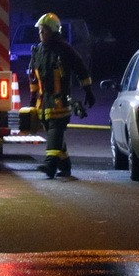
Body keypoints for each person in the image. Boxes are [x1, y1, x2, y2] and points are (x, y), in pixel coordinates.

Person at [27, 12, 95, 179]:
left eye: (44, 31)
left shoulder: (64, 49)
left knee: (55, 129)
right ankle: (65, 165)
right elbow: (34, 76)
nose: (41, 34)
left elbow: (80, 69)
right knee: (52, 130)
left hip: (60, 100)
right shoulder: (38, 50)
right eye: (40, 31)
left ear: (54, 31)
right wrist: (33, 98)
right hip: (43, 102)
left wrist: (88, 90)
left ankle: (50, 164)